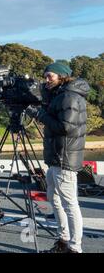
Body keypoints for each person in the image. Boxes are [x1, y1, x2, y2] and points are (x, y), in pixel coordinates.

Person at [26, 62, 89, 253]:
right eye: (45, 76)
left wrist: (39, 115)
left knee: (70, 204)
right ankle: (63, 240)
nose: (46, 80)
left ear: (62, 77)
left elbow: (65, 127)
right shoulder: (59, 95)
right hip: (57, 158)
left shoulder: (69, 97)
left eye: (50, 76)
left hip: (64, 158)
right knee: (54, 200)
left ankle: (75, 248)